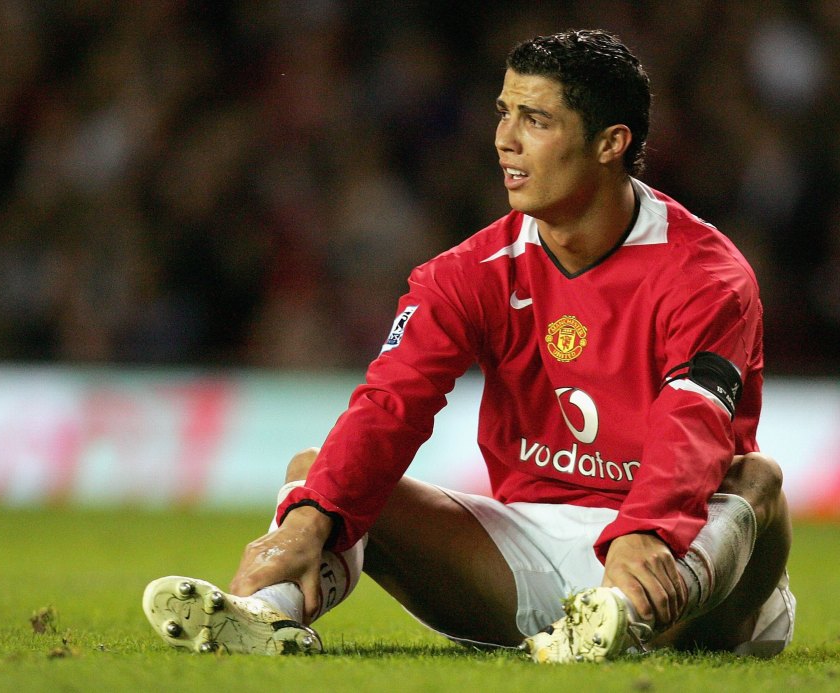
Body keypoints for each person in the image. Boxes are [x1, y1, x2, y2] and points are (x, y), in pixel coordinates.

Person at [142, 29, 795, 663]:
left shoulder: (705, 274)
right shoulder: (470, 271)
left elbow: (697, 426)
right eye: (504, 113)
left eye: (536, 120)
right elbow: (390, 403)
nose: (505, 140)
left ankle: (621, 613)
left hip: (686, 566)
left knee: (757, 480)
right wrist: (311, 520)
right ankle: (269, 611)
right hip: (522, 557)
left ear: (610, 143)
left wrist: (645, 530)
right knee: (320, 476)